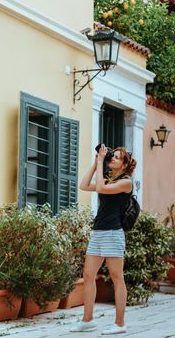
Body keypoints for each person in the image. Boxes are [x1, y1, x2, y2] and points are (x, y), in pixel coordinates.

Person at [70, 144, 137, 335]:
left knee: (117, 278)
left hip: (113, 233)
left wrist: (100, 162)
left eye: (116, 158)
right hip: (98, 232)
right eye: (112, 156)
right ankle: (88, 320)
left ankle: (120, 323)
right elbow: (84, 185)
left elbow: (99, 187)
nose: (112, 159)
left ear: (124, 165)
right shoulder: (107, 178)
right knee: (89, 275)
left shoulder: (126, 182)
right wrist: (95, 163)